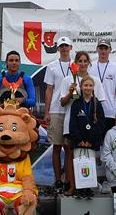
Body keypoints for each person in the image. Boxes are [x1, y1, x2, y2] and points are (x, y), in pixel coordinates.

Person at [56, 50, 101, 193]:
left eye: (85, 61)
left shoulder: (95, 80)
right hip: (72, 123)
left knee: (88, 156)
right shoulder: (67, 80)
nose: (82, 64)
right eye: (80, 61)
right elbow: (63, 103)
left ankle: (86, 186)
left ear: (89, 63)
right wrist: (70, 92)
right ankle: (72, 186)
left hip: (89, 125)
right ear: (75, 63)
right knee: (70, 154)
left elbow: (99, 102)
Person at [65, 76, 106, 199]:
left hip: (91, 143)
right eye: (85, 85)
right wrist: (79, 140)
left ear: (93, 87)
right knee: (79, 165)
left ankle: (88, 189)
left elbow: (101, 124)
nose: (88, 88)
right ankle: (79, 189)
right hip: (79, 143)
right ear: (81, 87)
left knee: (89, 166)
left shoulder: (97, 104)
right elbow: (73, 124)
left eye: (90, 85)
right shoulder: (76, 103)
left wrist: (90, 141)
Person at [42, 37, 74, 189]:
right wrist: (47, 112)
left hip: (71, 110)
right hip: (56, 110)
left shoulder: (76, 65)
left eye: (66, 46)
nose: (64, 48)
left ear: (71, 48)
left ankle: (67, 179)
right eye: (61, 46)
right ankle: (58, 180)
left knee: (68, 148)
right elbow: (49, 90)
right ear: (58, 48)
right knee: (56, 146)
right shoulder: (52, 66)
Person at [87, 40, 116, 119]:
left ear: (110, 50)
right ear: (97, 49)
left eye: (106, 48)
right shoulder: (89, 67)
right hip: (91, 110)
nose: (103, 51)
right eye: (101, 48)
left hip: (110, 112)